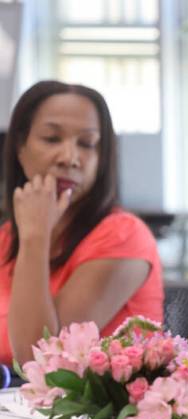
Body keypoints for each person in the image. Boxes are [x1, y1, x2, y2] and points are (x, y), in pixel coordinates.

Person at [0, 81, 163, 365]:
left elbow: (40, 361)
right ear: (20, 148)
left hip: (84, 408)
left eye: (87, 144)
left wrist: (35, 238)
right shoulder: (7, 237)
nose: (69, 158)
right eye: (51, 139)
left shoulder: (124, 235)